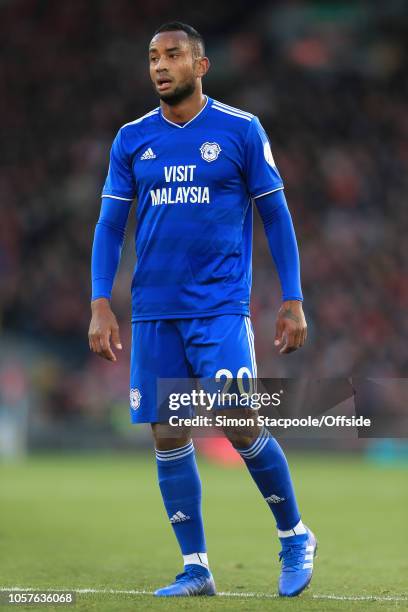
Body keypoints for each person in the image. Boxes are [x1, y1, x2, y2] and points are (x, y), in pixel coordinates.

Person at [89, 21, 316, 598]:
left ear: (201, 65)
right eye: (152, 57)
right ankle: (196, 567)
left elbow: (276, 216)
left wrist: (292, 297)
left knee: (239, 425)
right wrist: (99, 302)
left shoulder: (240, 130)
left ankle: (294, 534)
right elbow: (111, 225)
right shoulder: (132, 138)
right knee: (168, 432)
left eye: (173, 55)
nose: (160, 66)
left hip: (218, 307)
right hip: (153, 310)